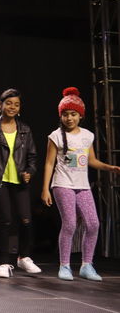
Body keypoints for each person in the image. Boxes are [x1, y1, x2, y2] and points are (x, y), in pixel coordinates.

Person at [41, 87, 120, 281]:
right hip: (62, 184)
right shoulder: (56, 136)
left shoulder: (87, 135)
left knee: (93, 224)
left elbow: (91, 160)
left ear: (80, 116)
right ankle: (65, 265)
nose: (69, 118)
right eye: (66, 114)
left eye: (73, 114)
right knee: (69, 224)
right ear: (61, 116)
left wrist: (108, 167)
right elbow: (49, 163)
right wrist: (45, 189)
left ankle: (87, 265)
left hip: (82, 185)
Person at [0, 88, 41, 278]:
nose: (12, 107)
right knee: (5, 221)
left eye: (16, 104)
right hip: (0, 181)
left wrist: (30, 172)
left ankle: (24, 257)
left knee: (26, 220)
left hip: (20, 182)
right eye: (8, 103)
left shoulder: (25, 129)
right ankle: (4, 262)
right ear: (0, 105)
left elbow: (32, 157)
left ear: (19, 108)